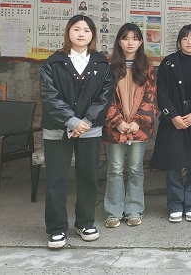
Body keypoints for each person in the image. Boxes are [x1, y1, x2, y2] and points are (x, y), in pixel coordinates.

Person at [40, 15, 115, 249]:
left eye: (86, 30)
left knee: (88, 177)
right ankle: (56, 229)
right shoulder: (53, 63)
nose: (81, 34)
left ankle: (85, 223)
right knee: (56, 179)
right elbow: (49, 96)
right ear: (68, 32)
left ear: (93, 35)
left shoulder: (102, 64)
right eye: (76, 29)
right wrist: (72, 121)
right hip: (57, 128)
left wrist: (86, 121)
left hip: (89, 130)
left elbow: (105, 96)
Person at [150, 25, 191, 223]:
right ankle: (175, 204)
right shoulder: (168, 63)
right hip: (174, 120)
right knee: (173, 164)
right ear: (179, 41)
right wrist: (173, 115)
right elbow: (161, 92)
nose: (189, 42)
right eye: (185, 38)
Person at [102, 23, 158, 229]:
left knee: (135, 169)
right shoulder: (108, 65)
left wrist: (137, 122)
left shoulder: (147, 66)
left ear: (141, 42)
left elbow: (152, 97)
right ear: (119, 41)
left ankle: (134, 210)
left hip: (138, 128)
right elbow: (103, 97)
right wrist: (117, 122)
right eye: (126, 38)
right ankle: (113, 212)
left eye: (135, 39)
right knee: (115, 169)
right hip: (114, 127)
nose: (130, 42)